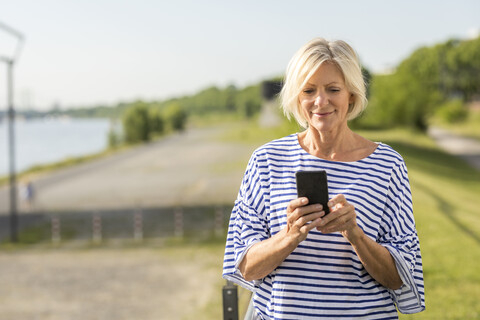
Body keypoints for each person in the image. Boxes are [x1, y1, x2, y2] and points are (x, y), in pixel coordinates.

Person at [223, 38, 425, 319]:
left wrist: (356, 235)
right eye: (309, 90)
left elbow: (401, 277)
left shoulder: (387, 164)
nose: (321, 101)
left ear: (351, 95)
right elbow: (244, 265)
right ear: (296, 96)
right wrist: (290, 235)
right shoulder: (266, 160)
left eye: (333, 89)